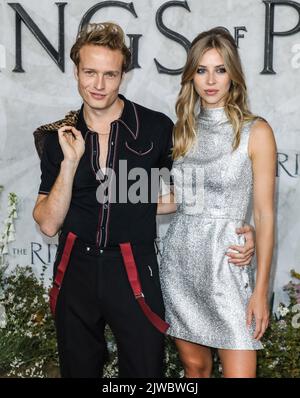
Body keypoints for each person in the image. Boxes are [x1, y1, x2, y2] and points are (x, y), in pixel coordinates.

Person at [32, 22, 255, 378]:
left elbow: (195, 190)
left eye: (110, 74)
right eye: (90, 72)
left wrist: (240, 229)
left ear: (124, 75)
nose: (99, 85)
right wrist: (71, 162)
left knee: (146, 373)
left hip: (134, 267)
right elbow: (47, 221)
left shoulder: (155, 128)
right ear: (76, 72)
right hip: (75, 267)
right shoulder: (57, 135)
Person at [158, 27, 276, 378]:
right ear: (191, 76)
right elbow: (182, 199)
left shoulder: (256, 132)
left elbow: (265, 213)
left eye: (220, 70)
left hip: (228, 266)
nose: (211, 80)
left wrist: (261, 291)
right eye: (202, 70)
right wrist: (111, 202)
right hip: (181, 263)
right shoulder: (182, 131)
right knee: (196, 369)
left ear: (233, 76)